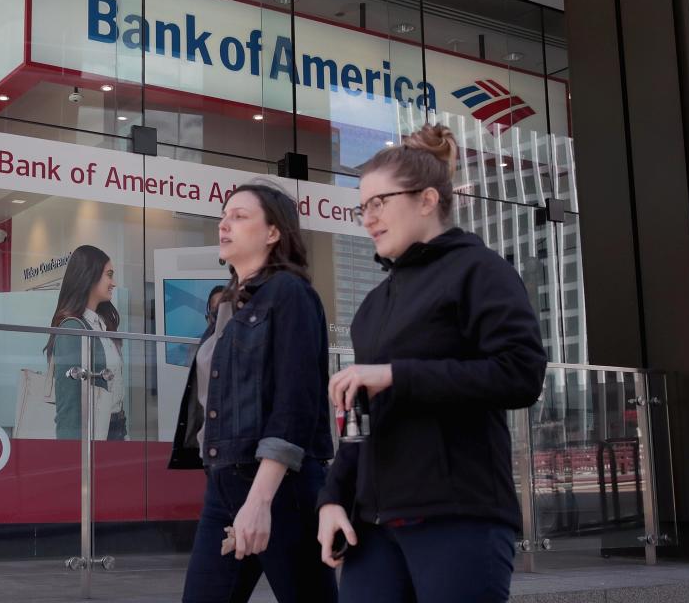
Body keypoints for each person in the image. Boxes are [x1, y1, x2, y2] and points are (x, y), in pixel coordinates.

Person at [316, 124, 547, 603]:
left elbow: (521, 374)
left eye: (380, 202)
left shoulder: (481, 271)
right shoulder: (373, 306)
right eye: (363, 206)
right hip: (373, 526)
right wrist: (333, 497)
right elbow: (362, 421)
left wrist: (397, 375)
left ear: (426, 199)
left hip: (458, 517)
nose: (368, 218)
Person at [169, 183, 337, 603]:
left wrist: (260, 499)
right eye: (224, 216)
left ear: (274, 232)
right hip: (225, 482)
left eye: (240, 216)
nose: (225, 224)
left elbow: (294, 404)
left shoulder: (290, 294)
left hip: (281, 486)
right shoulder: (228, 305)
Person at [46, 245, 126, 441]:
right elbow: (70, 404)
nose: (113, 283)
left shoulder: (102, 324)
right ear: (89, 276)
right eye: (109, 274)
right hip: (91, 434)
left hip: (114, 428)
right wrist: (71, 455)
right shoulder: (73, 329)